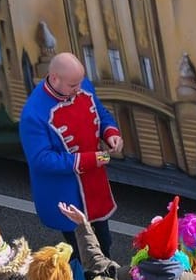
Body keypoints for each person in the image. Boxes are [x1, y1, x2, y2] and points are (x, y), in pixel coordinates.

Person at [19, 51, 122, 253]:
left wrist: (110, 132)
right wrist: (91, 159)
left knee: (104, 242)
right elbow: (42, 160)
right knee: (83, 252)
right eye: (73, 86)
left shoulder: (80, 85)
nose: (79, 89)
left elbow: (100, 112)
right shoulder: (33, 114)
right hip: (67, 193)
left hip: (94, 182)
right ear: (55, 78)